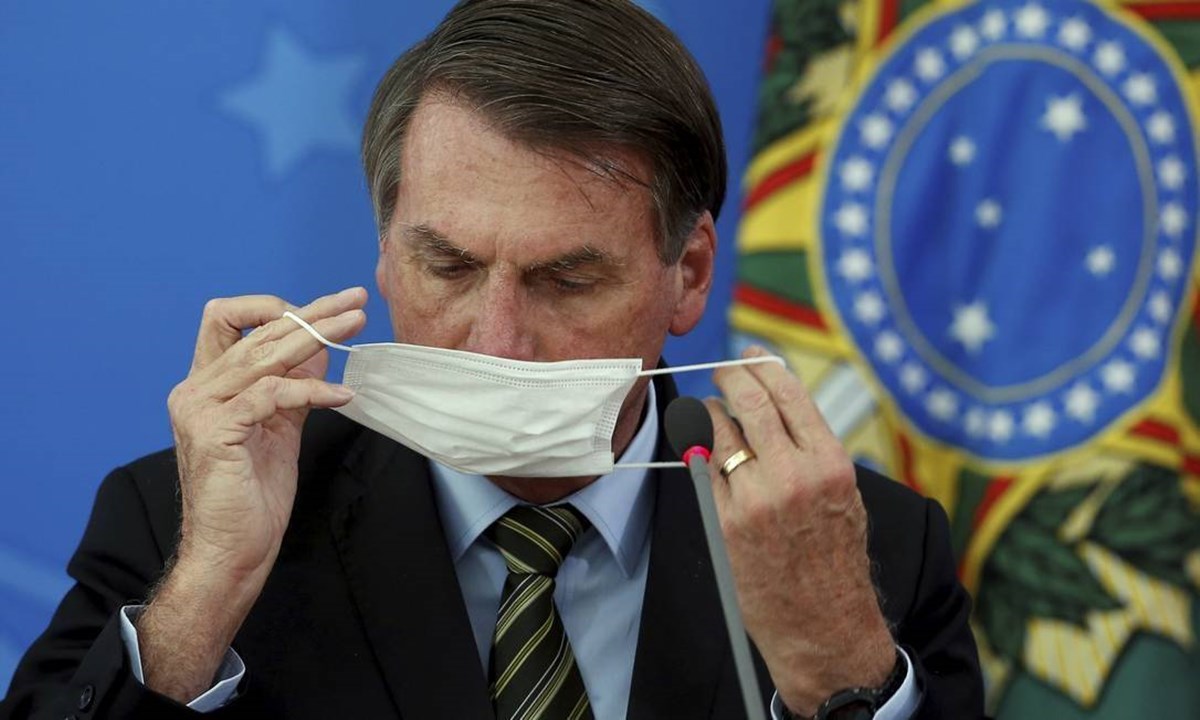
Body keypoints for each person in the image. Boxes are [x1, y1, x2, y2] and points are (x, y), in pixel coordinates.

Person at [0, 1, 984, 718]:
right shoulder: (182, 518)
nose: (496, 339)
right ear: (386, 254)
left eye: (567, 278)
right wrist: (206, 591)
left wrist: (836, 667)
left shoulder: (865, 551)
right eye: (449, 266)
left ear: (688, 275)